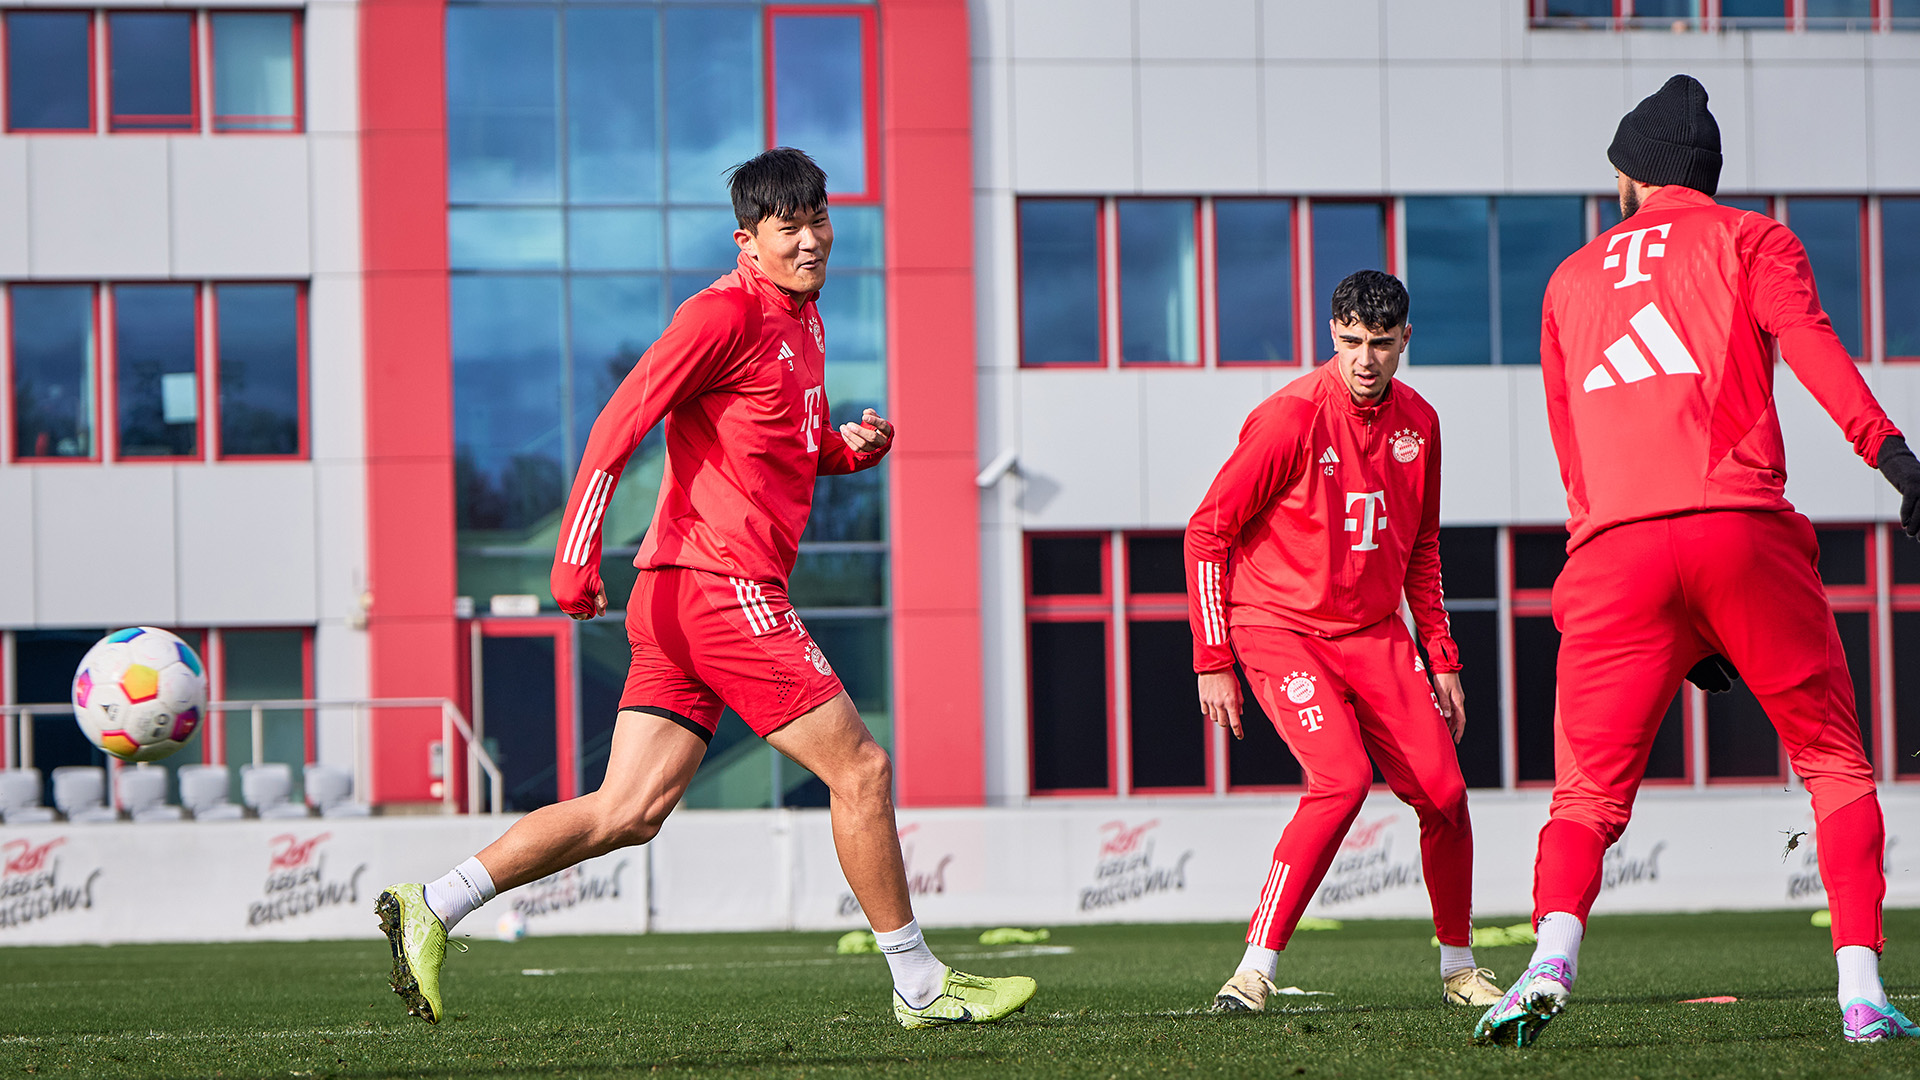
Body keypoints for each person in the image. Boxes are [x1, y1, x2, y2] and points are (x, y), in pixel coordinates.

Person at [374, 148, 1036, 1030]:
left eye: (818, 221)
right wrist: (576, 555)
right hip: (717, 586)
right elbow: (621, 420)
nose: (809, 242)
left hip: (688, 595)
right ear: (748, 240)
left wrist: (847, 450)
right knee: (863, 771)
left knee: (628, 811)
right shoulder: (721, 313)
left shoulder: (804, 321)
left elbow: (779, 445)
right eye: (787, 228)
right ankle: (920, 984)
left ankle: (435, 904)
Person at [1475, 75, 1919, 1048]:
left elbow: (1574, 460)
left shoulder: (1569, 279)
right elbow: (1813, 349)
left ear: (1633, 178)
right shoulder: (1751, 239)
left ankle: (1549, 957)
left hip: (1613, 553)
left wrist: (1651, 598)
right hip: (1738, 531)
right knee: (1834, 765)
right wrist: (1895, 460)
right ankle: (1860, 996)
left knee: (1585, 794)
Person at [1187, 270, 1502, 1014]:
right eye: (1352, 341)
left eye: (1381, 344)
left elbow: (1421, 548)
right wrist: (1213, 658)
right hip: (1279, 627)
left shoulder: (1419, 423)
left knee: (1447, 794)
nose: (1365, 359)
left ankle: (1458, 968)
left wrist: (1442, 657)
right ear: (1333, 334)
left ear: (1404, 342)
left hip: (1374, 636)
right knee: (1341, 780)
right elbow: (1207, 531)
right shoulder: (1290, 417)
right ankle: (1253, 970)